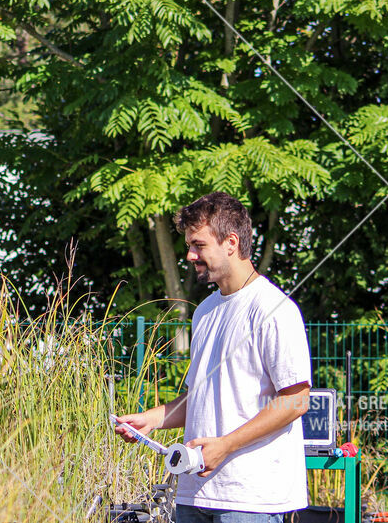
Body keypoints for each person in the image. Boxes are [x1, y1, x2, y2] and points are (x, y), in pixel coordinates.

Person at [114, 192, 311, 522]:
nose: (190, 255)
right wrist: (150, 419)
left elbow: (296, 400)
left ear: (231, 242)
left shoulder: (273, 309)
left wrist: (227, 445)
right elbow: (199, 397)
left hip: (249, 500)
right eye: (189, 245)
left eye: (199, 245)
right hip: (194, 492)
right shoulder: (205, 311)